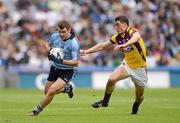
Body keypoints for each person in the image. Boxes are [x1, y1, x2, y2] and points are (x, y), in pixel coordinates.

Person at [81, 16, 148, 114]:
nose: (116, 28)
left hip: (140, 68)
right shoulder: (117, 37)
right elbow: (102, 46)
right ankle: (105, 102)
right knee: (112, 79)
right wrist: (86, 51)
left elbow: (136, 37)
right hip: (127, 65)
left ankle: (136, 106)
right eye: (115, 26)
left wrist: (124, 45)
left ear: (125, 25)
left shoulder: (132, 31)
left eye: (118, 25)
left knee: (140, 97)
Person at [30, 20, 80, 116]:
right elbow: (46, 43)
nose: (61, 34)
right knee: (47, 92)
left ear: (69, 30)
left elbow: (76, 62)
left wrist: (61, 61)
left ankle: (36, 111)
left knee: (52, 90)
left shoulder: (74, 43)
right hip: (55, 67)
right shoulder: (54, 35)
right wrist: (49, 51)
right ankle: (67, 89)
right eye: (59, 31)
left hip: (68, 70)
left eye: (63, 32)